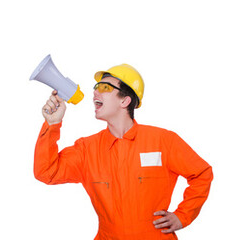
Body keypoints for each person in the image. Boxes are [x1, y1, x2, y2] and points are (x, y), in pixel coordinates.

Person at [36, 63, 213, 239]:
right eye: (96, 87)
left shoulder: (163, 141)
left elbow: (201, 173)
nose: (95, 92)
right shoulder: (87, 149)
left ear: (125, 100)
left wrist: (182, 216)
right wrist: (52, 125)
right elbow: (47, 172)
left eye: (104, 87)